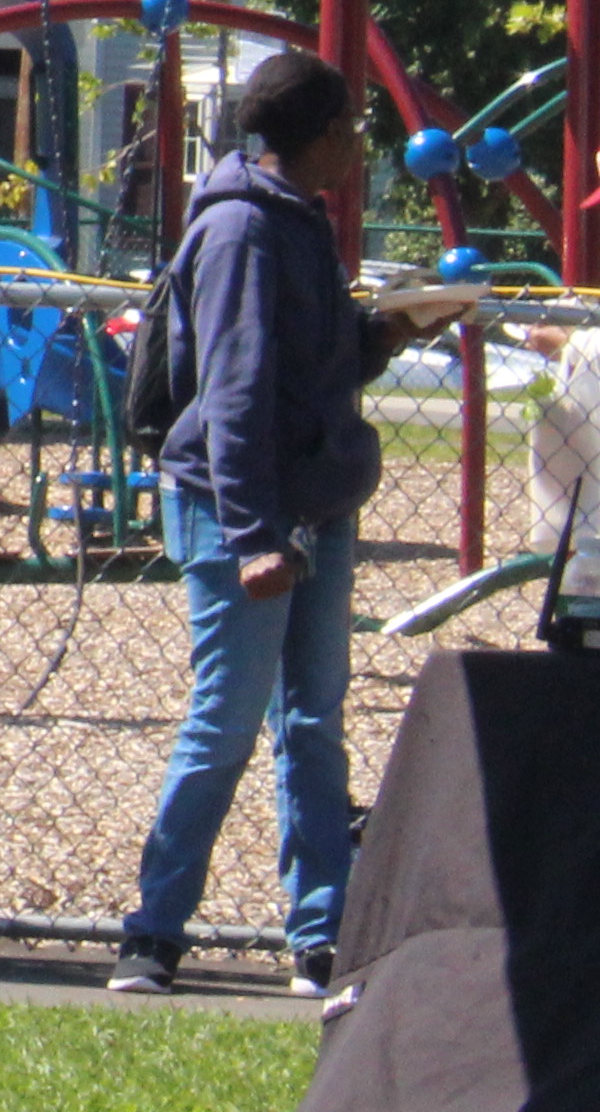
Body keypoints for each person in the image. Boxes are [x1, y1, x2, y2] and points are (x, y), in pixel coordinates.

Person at [109, 52, 477, 998]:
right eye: (350, 127)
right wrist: (253, 537)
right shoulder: (240, 231)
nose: (360, 145)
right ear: (315, 136)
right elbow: (233, 399)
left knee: (313, 722)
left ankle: (322, 938)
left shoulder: (301, 226)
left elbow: (308, 375)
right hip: (245, 511)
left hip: (314, 504)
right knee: (226, 721)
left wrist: (385, 334)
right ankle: (151, 937)